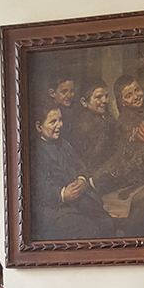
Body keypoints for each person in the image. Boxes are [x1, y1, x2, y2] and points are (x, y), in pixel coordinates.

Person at [30, 101, 116, 240]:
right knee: (87, 229)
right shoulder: (36, 151)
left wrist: (82, 180)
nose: (59, 125)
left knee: (106, 223)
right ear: (39, 127)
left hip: (77, 201)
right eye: (53, 122)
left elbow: (81, 166)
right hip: (53, 209)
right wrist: (62, 194)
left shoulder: (64, 144)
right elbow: (38, 187)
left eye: (60, 120)